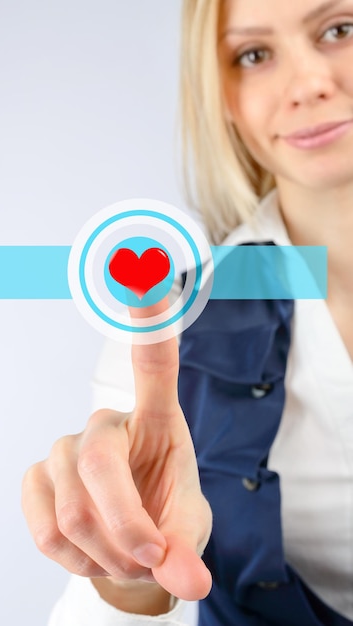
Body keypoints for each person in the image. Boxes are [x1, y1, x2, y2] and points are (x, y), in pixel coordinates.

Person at [21, 0, 353, 624]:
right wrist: (132, 567)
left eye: (341, 30)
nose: (308, 83)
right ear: (223, 96)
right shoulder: (166, 328)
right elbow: (114, 607)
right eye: (253, 55)